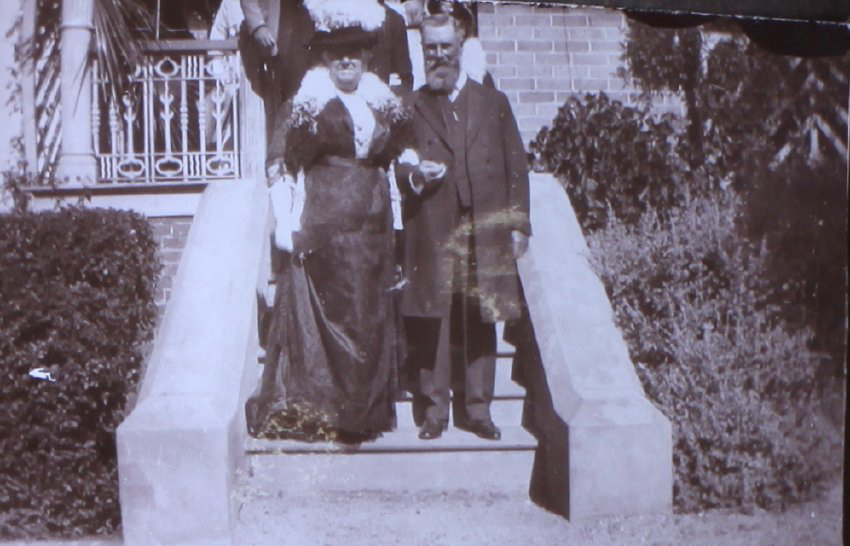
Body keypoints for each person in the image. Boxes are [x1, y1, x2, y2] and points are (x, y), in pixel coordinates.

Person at [245, 0, 412, 444]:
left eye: (354, 53)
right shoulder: (307, 105)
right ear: (323, 58)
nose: (346, 61)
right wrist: (286, 221)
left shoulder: (382, 104)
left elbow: (399, 152)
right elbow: (280, 163)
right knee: (331, 313)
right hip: (325, 225)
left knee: (366, 315)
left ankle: (362, 412)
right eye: (337, 53)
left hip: (373, 224)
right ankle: (325, 412)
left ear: (367, 58)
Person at [396, 13, 530, 441]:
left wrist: (519, 224)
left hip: (483, 225)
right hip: (432, 225)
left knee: (481, 313)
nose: (438, 56)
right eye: (430, 48)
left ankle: (478, 410)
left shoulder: (493, 103)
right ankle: (435, 412)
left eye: (445, 47)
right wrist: (417, 175)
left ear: (460, 48)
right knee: (434, 317)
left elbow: (515, 165)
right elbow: (398, 165)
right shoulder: (409, 106)